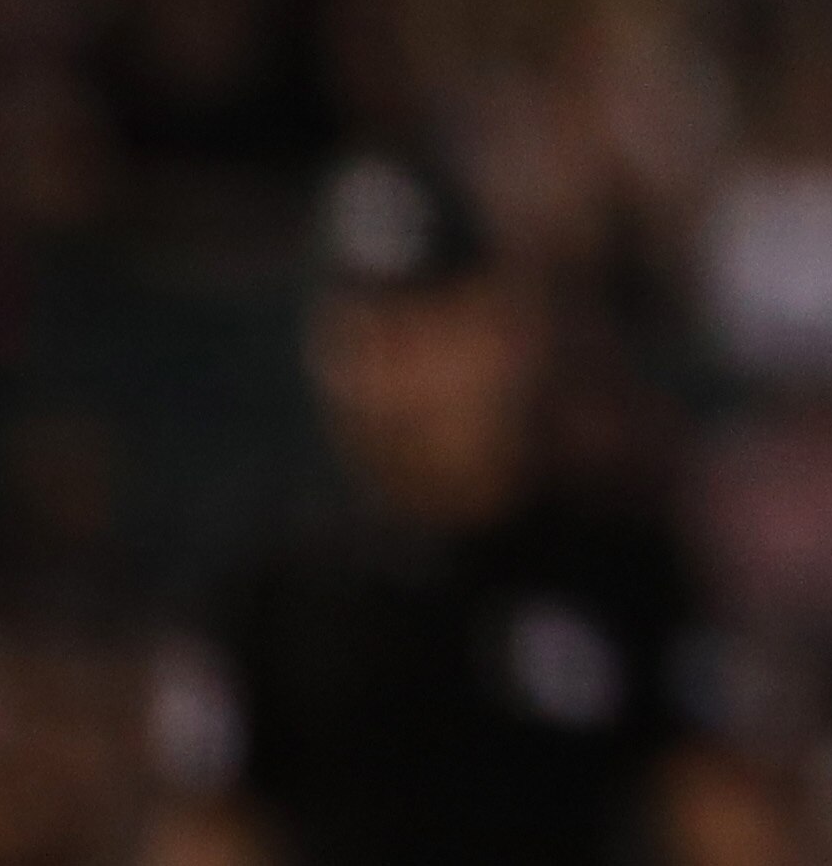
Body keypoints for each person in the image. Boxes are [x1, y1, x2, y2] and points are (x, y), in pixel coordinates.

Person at [156, 148, 764, 866]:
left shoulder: (620, 562)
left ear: (508, 334)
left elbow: (719, 814)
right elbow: (210, 830)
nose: (392, 373)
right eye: (363, 336)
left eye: (424, 330)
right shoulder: (269, 579)